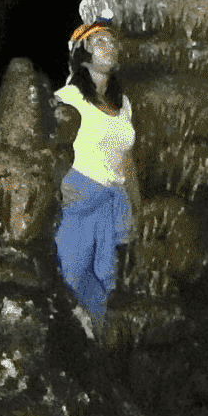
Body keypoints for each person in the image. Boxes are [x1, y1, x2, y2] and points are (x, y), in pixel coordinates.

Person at [53, 19, 140, 335]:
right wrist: (59, 186)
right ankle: (71, 341)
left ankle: (96, 344)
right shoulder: (68, 97)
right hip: (78, 198)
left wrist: (136, 206)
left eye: (114, 42)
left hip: (113, 203)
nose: (111, 47)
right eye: (101, 41)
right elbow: (52, 146)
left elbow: (126, 159)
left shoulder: (123, 105)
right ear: (84, 50)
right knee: (71, 276)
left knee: (105, 281)